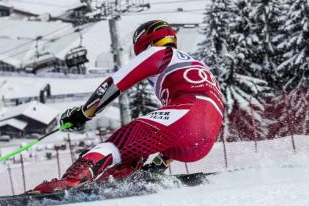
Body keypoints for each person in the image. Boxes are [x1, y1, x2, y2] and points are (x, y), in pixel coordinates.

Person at [31, 20, 225, 194]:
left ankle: (71, 182)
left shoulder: (159, 52)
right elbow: (188, 128)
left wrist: (84, 113)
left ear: (144, 41)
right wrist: (160, 164)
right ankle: (126, 175)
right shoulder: (197, 64)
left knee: (114, 145)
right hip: (205, 137)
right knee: (145, 141)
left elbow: (116, 83)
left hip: (187, 114)